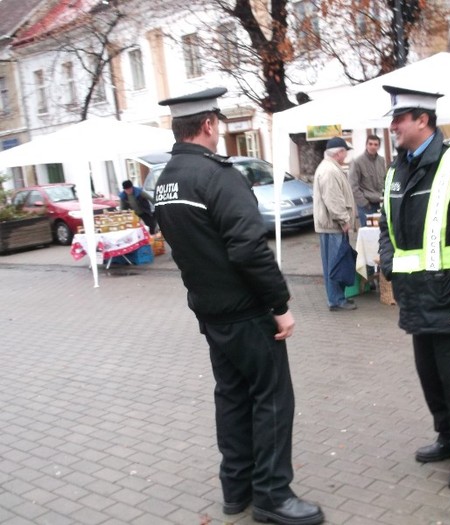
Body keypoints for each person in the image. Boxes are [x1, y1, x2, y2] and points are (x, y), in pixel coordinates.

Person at [154, 87, 324, 525]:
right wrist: (280, 304)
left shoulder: (166, 181)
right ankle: (272, 496)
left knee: (231, 397)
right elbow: (248, 249)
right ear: (209, 125)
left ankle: (237, 489)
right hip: (246, 312)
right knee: (270, 399)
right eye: (219, 123)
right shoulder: (218, 176)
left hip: (211, 313)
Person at [378, 86, 450, 490]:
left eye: (399, 119)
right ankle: (447, 439)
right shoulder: (398, 170)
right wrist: (390, 266)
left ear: (423, 120)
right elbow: (386, 226)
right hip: (416, 298)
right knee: (431, 378)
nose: (392, 126)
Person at [313, 136, 357, 312]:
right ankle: (336, 300)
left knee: (333, 263)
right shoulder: (330, 170)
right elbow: (333, 199)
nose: (345, 155)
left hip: (330, 225)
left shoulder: (329, 168)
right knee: (335, 264)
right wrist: (344, 220)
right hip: (333, 226)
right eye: (345, 151)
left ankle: (337, 298)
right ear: (339, 152)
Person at [349, 134, 386, 227]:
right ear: (366, 145)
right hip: (366, 205)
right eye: (370, 144)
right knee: (368, 233)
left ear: (379, 146)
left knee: (381, 232)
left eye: (375, 144)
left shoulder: (381, 160)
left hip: (380, 204)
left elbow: (385, 181)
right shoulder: (357, 161)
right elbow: (353, 185)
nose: (373, 146)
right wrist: (364, 203)